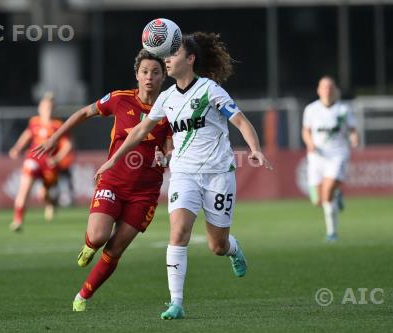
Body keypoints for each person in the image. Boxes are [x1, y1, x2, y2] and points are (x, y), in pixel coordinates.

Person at [94, 32, 273, 320]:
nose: (167, 60)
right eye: (166, 55)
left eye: (173, 55)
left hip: (218, 175)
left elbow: (239, 120)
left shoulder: (209, 90)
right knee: (178, 233)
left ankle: (234, 249)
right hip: (184, 173)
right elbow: (139, 131)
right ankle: (176, 302)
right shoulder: (165, 98)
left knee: (217, 245)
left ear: (190, 59)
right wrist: (113, 160)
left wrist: (255, 149)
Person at [32, 49, 173, 312]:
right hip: (113, 181)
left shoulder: (171, 107)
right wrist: (54, 138)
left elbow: (170, 146)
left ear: (164, 76)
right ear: (137, 75)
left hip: (145, 192)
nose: (149, 78)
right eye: (145, 72)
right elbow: (84, 113)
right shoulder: (120, 99)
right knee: (98, 237)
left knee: (116, 247)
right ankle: (89, 245)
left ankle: (83, 296)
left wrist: (166, 156)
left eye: (155, 73)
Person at [302, 76, 358, 242]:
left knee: (327, 195)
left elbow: (353, 129)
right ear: (319, 90)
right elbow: (306, 131)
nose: (327, 90)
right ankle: (337, 193)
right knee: (317, 201)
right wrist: (310, 143)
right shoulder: (311, 109)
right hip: (316, 157)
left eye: (330, 87)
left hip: (337, 154)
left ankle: (332, 233)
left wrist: (354, 138)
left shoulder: (343, 110)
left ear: (335, 90)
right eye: (324, 87)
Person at [8, 92, 73, 231]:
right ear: (40, 108)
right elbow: (26, 135)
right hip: (33, 159)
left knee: (42, 194)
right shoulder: (34, 122)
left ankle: (50, 204)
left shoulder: (57, 125)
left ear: (53, 108)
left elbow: (68, 146)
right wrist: (17, 148)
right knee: (24, 187)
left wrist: (56, 159)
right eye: (45, 106)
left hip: (49, 164)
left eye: (50, 107)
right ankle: (17, 220)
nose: (47, 109)